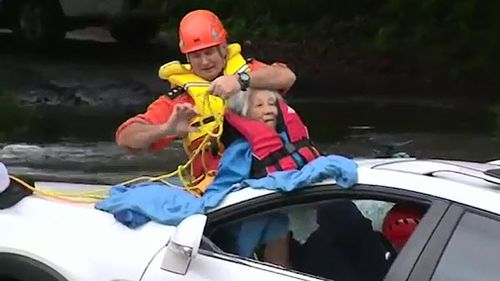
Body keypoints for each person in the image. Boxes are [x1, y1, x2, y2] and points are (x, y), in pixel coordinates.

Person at [115, 9, 296, 191]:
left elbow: (286, 77)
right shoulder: (181, 100)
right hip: (221, 189)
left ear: (223, 48)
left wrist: (240, 81)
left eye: (209, 53)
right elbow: (126, 137)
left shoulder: (250, 71)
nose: (204, 62)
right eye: (196, 56)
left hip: (271, 174)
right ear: (187, 58)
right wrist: (165, 129)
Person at [208, 88, 322, 268]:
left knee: (281, 234)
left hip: (284, 214)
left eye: (271, 104)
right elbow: (221, 189)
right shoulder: (240, 152)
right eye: (259, 105)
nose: (268, 110)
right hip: (250, 219)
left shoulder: (291, 141)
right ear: (245, 114)